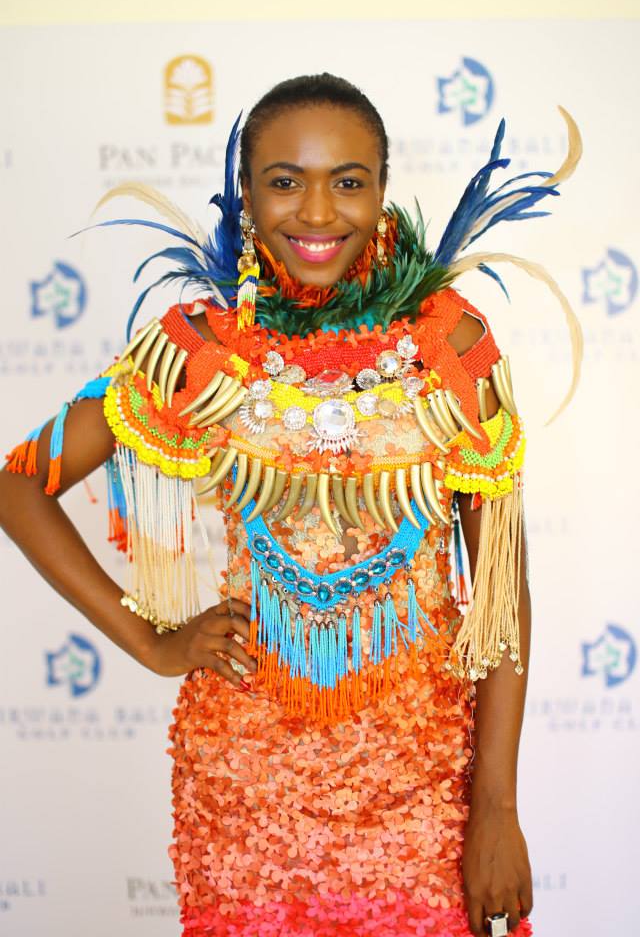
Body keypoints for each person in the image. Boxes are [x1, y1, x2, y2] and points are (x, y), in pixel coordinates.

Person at [0, 73, 582, 937]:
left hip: (421, 786)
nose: (317, 212)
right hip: (244, 792)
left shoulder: (449, 346)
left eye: (347, 181)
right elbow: (19, 484)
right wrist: (154, 643)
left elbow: (501, 590)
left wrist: (495, 806)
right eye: (285, 180)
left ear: (382, 191)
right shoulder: (202, 349)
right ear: (246, 194)